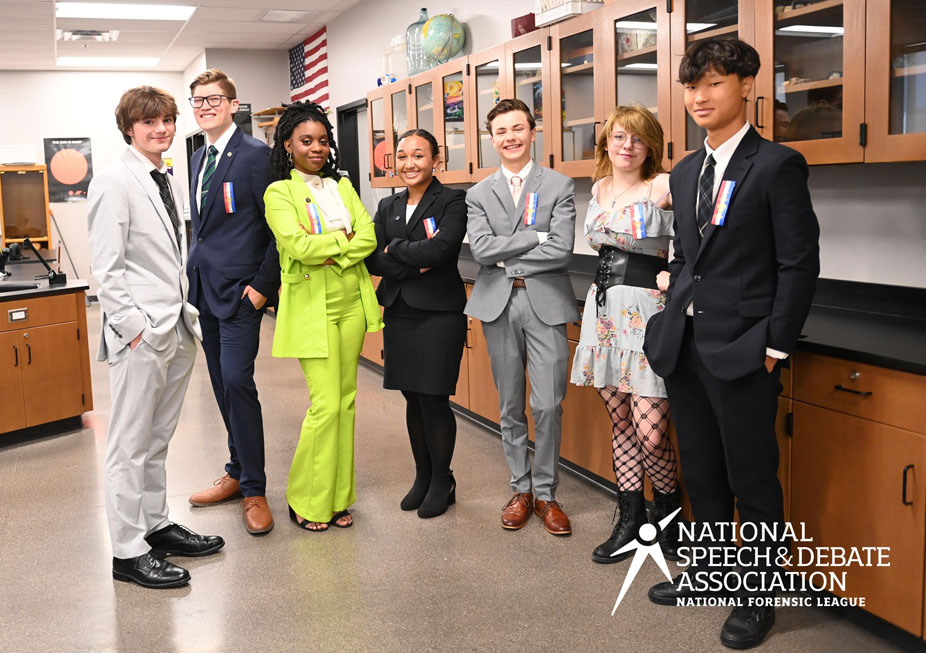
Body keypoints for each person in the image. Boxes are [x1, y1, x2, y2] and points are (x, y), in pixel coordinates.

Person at [643, 38, 820, 649]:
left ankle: (758, 599)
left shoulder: (776, 165)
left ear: (746, 84)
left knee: (752, 478)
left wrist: (776, 346)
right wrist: (672, 281)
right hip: (687, 344)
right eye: (692, 86)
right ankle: (716, 575)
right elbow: (691, 252)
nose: (699, 96)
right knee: (705, 472)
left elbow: (799, 264)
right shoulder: (688, 169)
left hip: (746, 347)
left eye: (713, 83)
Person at [88, 86, 224, 589]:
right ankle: (127, 551)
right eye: (149, 122)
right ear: (129, 127)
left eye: (167, 120)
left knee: (157, 439)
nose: (161, 129)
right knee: (128, 445)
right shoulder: (113, 181)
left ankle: (154, 526)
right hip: (142, 333)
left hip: (176, 326)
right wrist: (135, 331)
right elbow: (108, 269)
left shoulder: (163, 175)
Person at [569, 106, 683, 564]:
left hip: (647, 313)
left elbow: (701, 238)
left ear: (650, 145)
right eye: (618, 137)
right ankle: (630, 520)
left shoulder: (664, 186)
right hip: (604, 313)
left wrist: (677, 274)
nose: (627, 145)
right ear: (606, 145)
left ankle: (671, 518)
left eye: (636, 138)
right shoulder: (598, 188)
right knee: (621, 423)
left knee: (651, 432)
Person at [264, 101, 383, 532]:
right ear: (288, 145)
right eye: (306, 141)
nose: (316, 147)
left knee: (347, 401)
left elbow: (367, 237)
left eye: (322, 140)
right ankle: (305, 499)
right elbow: (298, 246)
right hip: (313, 308)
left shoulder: (343, 187)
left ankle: (336, 497)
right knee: (325, 404)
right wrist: (341, 242)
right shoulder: (280, 193)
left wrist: (334, 247)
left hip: (352, 302)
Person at [465, 98, 579, 536]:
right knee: (511, 404)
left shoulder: (559, 185)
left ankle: (547, 493)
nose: (510, 137)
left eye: (518, 128)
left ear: (533, 132)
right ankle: (521, 488)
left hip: (545, 304)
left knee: (547, 404)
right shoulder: (478, 193)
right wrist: (534, 235)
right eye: (501, 131)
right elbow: (481, 250)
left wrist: (507, 253)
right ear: (490, 139)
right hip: (497, 306)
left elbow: (561, 249)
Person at [185, 69, 280, 535]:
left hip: (243, 294)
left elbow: (278, 229)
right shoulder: (197, 157)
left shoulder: (256, 156)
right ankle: (236, 469)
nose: (205, 107)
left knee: (238, 382)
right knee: (221, 386)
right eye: (198, 100)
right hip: (204, 291)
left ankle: (255, 489)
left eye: (214, 99)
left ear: (233, 104)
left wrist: (263, 288)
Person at [365, 129, 467, 519]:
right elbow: (373, 258)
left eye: (419, 155)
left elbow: (443, 249)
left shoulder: (453, 199)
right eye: (403, 156)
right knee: (411, 395)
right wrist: (414, 261)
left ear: (435, 160)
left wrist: (398, 252)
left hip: (439, 313)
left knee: (433, 397)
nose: (410, 163)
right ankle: (422, 476)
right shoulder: (388, 204)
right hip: (400, 311)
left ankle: (443, 479)